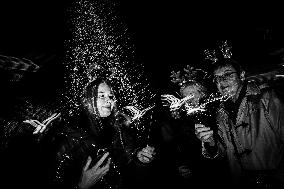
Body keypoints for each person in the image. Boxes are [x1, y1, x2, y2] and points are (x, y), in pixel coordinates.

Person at [51, 78, 155, 189]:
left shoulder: (117, 129)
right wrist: (81, 186)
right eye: (101, 96)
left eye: (110, 96)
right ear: (87, 100)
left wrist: (138, 158)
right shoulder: (69, 136)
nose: (109, 100)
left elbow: (125, 164)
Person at [195, 57, 284, 187]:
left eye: (227, 75)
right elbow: (223, 153)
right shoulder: (221, 112)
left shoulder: (267, 98)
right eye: (217, 78)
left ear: (241, 75)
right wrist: (210, 142)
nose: (222, 81)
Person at [166, 65, 229, 188]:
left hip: (217, 172)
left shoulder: (215, 113)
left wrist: (211, 143)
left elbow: (224, 144)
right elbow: (178, 145)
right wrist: (180, 165)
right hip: (194, 174)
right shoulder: (180, 119)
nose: (188, 98)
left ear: (201, 94)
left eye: (192, 94)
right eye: (184, 96)